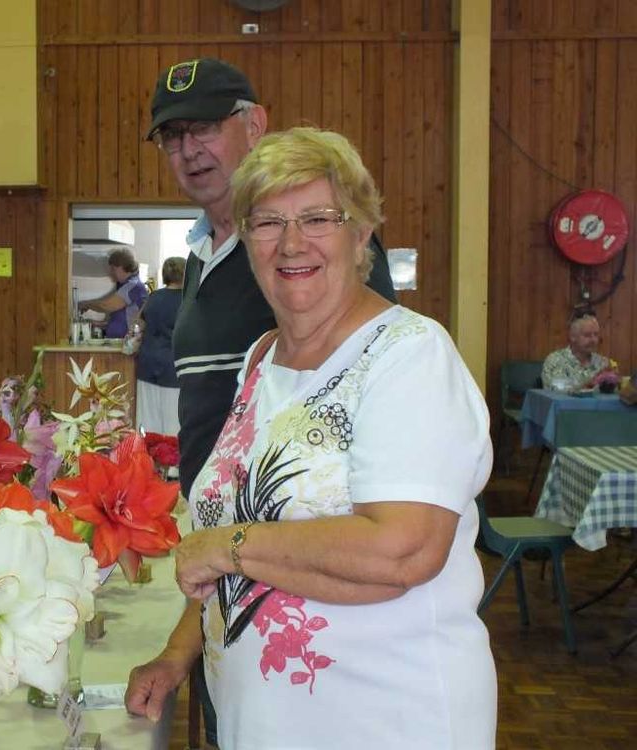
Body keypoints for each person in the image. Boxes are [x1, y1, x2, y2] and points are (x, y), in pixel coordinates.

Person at [129, 126, 496, 748]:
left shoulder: (407, 356)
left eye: (318, 218)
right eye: (267, 222)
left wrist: (226, 546)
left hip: (385, 718)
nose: (291, 243)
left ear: (360, 235)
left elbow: (403, 551)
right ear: (246, 242)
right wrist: (176, 653)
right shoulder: (261, 359)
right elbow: (237, 544)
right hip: (268, 724)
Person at [124, 56, 397, 745]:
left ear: (255, 125)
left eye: (206, 128)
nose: (190, 150)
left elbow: (361, 397)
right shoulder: (205, 252)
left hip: (312, 588)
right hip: (228, 574)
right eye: (172, 136)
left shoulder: (310, 262)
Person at [135, 256, 186, 436]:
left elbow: (138, 324)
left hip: (147, 365)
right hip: (174, 368)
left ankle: (146, 463)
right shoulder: (188, 300)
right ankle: (171, 465)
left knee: (147, 425)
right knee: (173, 426)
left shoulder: (153, 297)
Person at [78, 248, 148, 339]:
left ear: (124, 267)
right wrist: (97, 324)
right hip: (120, 342)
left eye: (113, 269)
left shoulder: (132, 286)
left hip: (127, 344)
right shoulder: (126, 285)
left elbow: (106, 306)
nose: (111, 272)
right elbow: (123, 320)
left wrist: (86, 304)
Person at [541, 313, 612, 391]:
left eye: (596, 334)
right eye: (587, 335)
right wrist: (587, 384)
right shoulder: (555, 361)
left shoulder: (603, 363)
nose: (593, 340)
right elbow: (554, 391)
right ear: (572, 337)